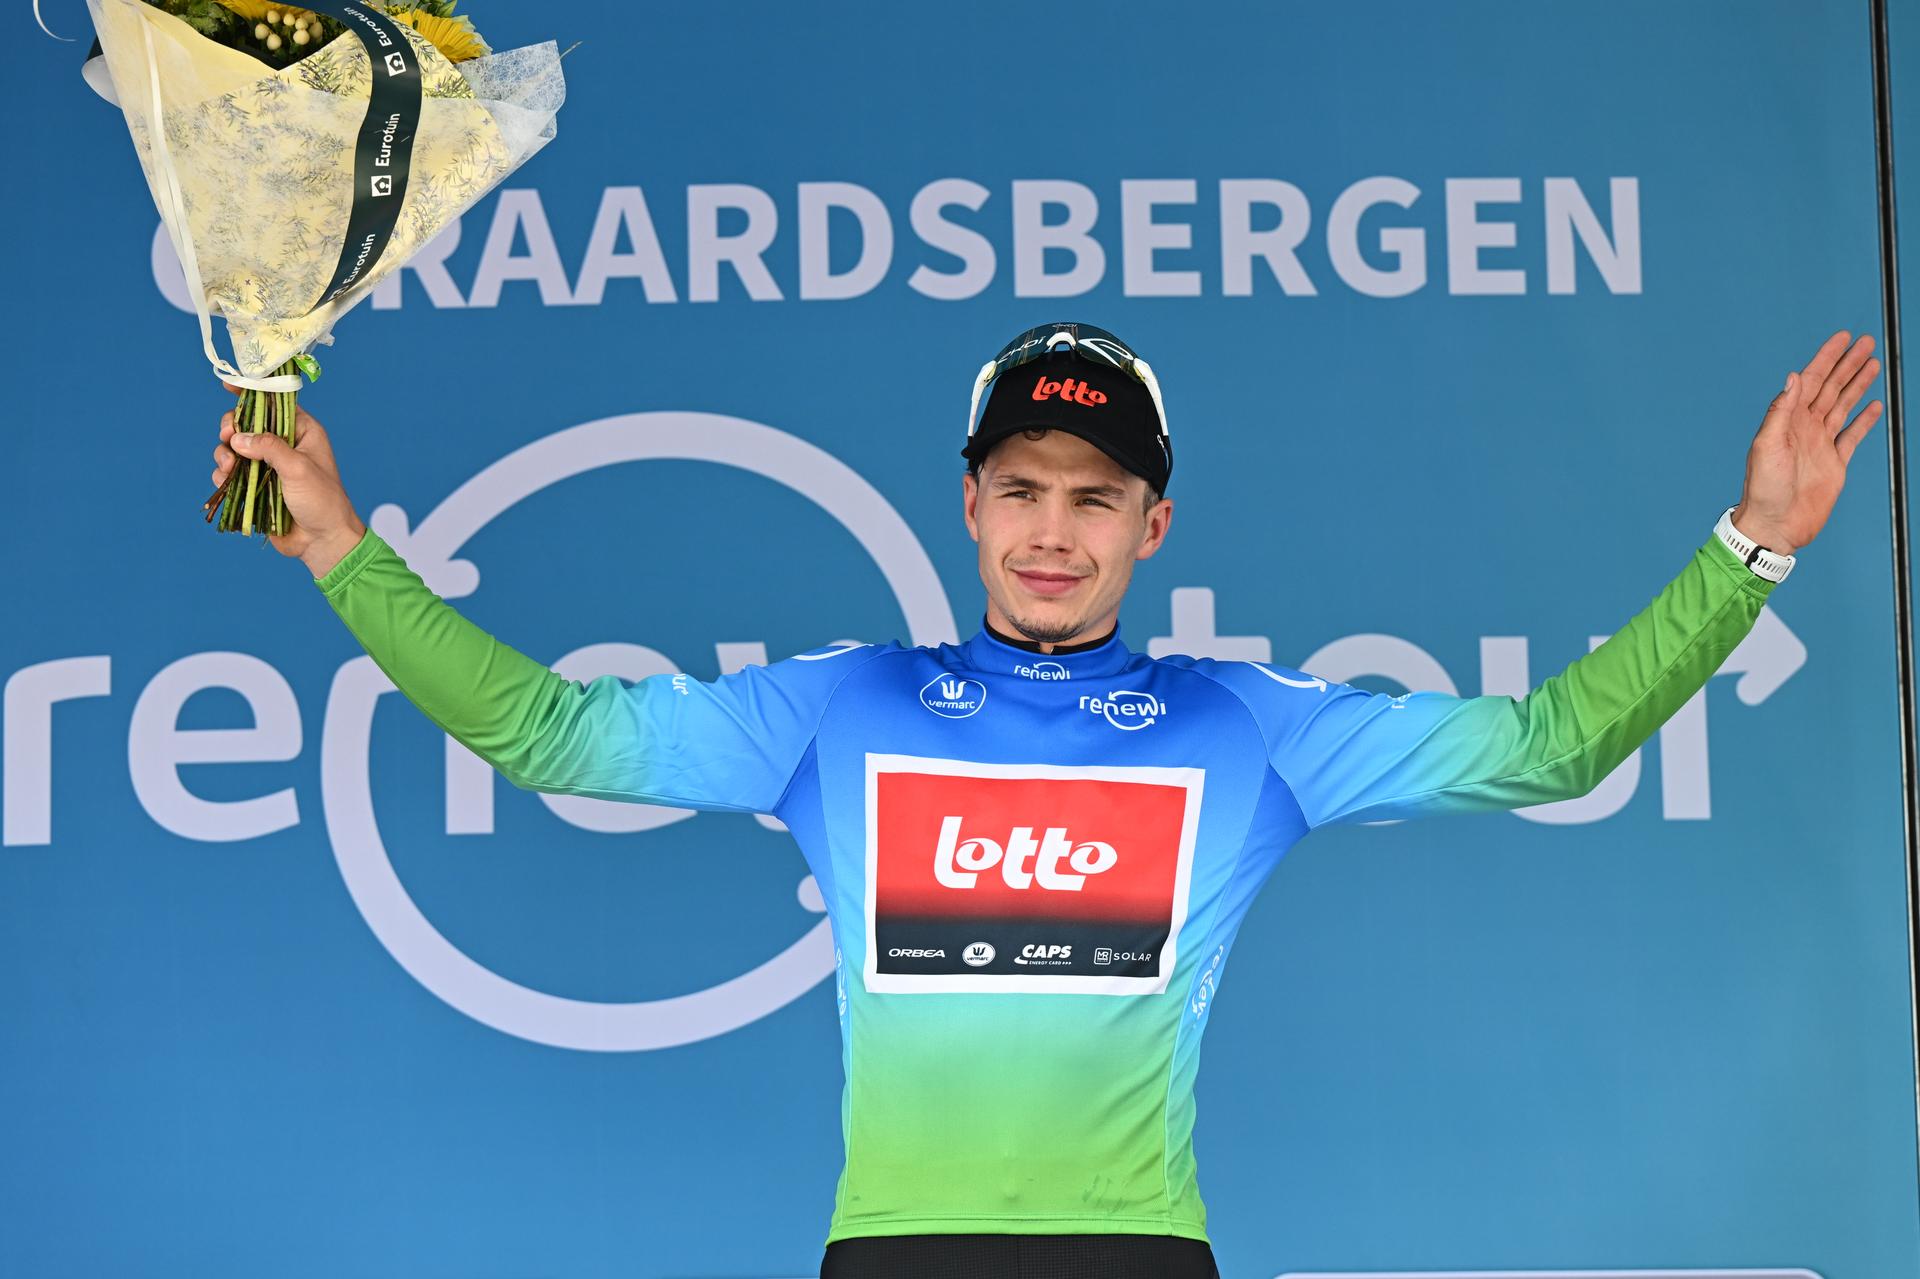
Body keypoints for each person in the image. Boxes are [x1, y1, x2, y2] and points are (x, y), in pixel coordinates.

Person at [214, 322, 1883, 1279]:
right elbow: (553, 736)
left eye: (1095, 499)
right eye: (1020, 489)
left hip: (1136, 1256)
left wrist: (1756, 549)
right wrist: (338, 551)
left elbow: (1552, 747)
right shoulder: (840, 707)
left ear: (1153, 528)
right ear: (969, 502)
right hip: (893, 1251)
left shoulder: (1245, 725)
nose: (1051, 531)